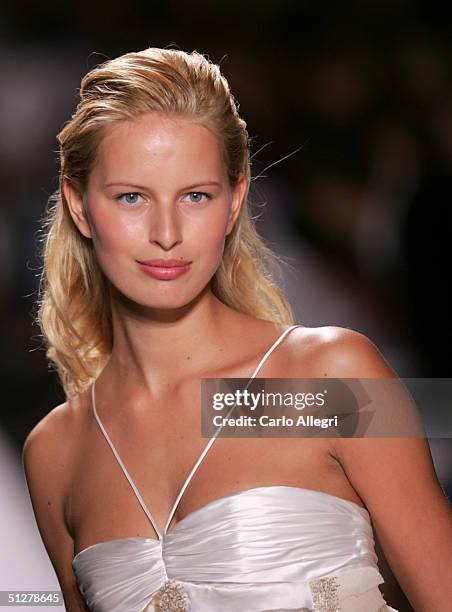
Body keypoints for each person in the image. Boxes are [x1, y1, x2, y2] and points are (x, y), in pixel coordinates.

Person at [22, 47, 451, 612]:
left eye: (196, 196)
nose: (167, 233)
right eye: (132, 197)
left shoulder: (330, 376)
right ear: (79, 206)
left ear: (234, 202)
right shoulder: (54, 451)